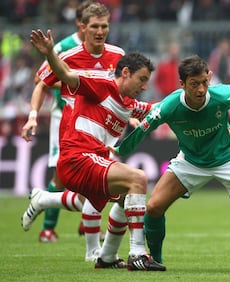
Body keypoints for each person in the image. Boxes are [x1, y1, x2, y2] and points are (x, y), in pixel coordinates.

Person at [111, 55, 230, 266]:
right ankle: (156, 259)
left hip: (227, 157)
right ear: (182, 84)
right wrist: (122, 148)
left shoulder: (221, 95)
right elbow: (142, 129)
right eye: (194, 84)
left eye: (204, 82)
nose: (201, 90)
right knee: (154, 207)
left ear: (209, 78)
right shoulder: (169, 106)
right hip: (190, 162)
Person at [22, 27, 166, 271]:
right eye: (142, 80)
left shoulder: (129, 103)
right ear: (126, 72)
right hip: (77, 158)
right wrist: (49, 54)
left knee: (125, 199)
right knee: (138, 178)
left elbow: (158, 109)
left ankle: (107, 257)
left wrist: (189, 99)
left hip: (94, 161)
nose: (144, 86)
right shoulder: (99, 83)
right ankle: (138, 253)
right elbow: (66, 75)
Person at [21, 0, 94, 244]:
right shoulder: (63, 47)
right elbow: (40, 79)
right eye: (91, 24)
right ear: (80, 23)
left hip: (93, 121)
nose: (97, 30)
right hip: (65, 119)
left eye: (102, 25)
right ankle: (47, 229)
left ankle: (88, 224)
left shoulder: (104, 51)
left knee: (98, 173)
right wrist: (74, 83)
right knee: (62, 177)